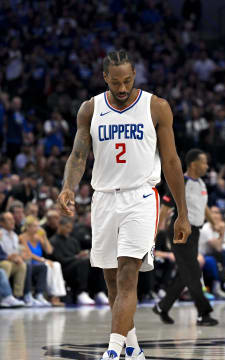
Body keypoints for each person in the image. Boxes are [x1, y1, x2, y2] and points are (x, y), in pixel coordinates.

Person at [57, 49, 191, 360]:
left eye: (127, 81)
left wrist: (182, 213)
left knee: (128, 273)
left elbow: (171, 160)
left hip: (141, 196)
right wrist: (67, 187)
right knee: (111, 279)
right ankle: (132, 347)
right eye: (115, 82)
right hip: (103, 197)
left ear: (135, 77)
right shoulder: (90, 109)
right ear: (105, 77)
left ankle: (113, 351)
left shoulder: (156, 107)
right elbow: (78, 155)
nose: (121, 88)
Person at [153, 149, 218, 326]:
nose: (206, 166)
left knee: (186, 272)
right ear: (193, 164)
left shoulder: (201, 184)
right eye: (204, 162)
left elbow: (203, 207)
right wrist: (159, 233)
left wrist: (214, 223)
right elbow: (165, 208)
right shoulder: (180, 182)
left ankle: (162, 306)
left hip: (195, 232)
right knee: (193, 271)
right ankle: (204, 314)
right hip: (180, 232)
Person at [19, 215, 66, 306]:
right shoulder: (22, 237)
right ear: (28, 227)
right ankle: (49, 296)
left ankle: (56, 295)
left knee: (57, 265)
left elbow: (49, 251)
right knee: (47, 265)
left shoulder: (38, 237)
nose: (37, 228)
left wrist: (44, 237)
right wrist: (43, 260)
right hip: (30, 263)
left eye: (38, 226)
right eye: (35, 226)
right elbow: (28, 254)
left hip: (40, 262)